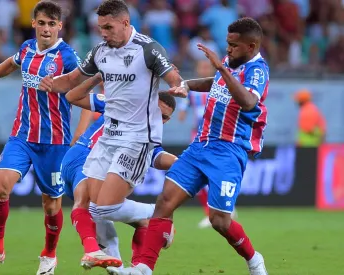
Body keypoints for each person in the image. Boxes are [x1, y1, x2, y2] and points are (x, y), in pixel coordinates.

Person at [107, 17, 270, 275]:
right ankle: (143, 268)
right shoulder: (231, 62)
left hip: (229, 151)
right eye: (227, 44)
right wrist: (187, 84)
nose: (228, 49)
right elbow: (215, 82)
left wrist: (222, 68)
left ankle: (253, 259)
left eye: (234, 45)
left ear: (251, 47)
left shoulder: (257, 70)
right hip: (201, 146)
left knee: (220, 222)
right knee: (164, 202)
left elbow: (249, 102)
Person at [38, 0, 186, 267]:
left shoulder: (147, 48)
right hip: (108, 138)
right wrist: (50, 83)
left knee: (104, 208)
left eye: (108, 27)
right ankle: (117, 254)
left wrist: (177, 85)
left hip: (137, 139)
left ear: (125, 23)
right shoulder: (100, 52)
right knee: (95, 208)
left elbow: (171, 73)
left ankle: (156, 214)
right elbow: (72, 81)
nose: (103, 33)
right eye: (100, 28)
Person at [0, 2, 82, 274]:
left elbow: (83, 85)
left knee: (51, 205)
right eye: (42, 23)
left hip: (55, 142)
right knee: (0, 187)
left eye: (52, 24)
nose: (46, 29)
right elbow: (10, 64)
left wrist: (86, 101)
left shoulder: (68, 56)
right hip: (22, 135)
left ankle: (49, 255)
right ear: (33, 23)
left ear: (59, 26)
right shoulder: (27, 48)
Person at [60, 74, 178, 269]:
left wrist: (182, 164)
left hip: (100, 170)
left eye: (164, 117)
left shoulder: (149, 134)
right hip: (83, 156)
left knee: (130, 224)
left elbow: (156, 155)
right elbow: (72, 96)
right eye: (157, 111)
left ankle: (133, 269)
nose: (159, 118)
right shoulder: (121, 104)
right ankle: (155, 213)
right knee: (89, 202)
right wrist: (96, 76)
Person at [178, 60, 238, 229]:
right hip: (197, 136)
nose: (204, 69)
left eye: (206, 67)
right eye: (201, 67)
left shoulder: (219, 87)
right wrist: (181, 109)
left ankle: (224, 208)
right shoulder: (192, 91)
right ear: (197, 70)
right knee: (199, 175)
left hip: (218, 137)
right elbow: (182, 111)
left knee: (218, 174)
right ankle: (209, 211)